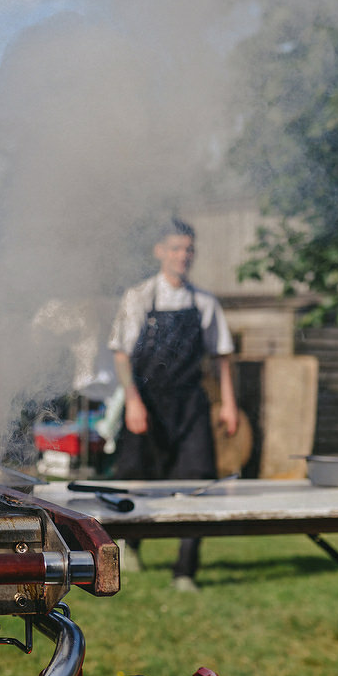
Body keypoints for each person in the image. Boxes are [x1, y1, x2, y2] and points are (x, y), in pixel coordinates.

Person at [107, 218, 237, 592]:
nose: (184, 256)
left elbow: (222, 356)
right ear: (160, 251)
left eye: (189, 249)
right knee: (134, 478)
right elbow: (121, 356)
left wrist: (228, 404)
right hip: (146, 402)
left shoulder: (205, 302)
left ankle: (185, 570)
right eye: (177, 248)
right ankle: (130, 544)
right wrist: (132, 401)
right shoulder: (139, 297)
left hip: (191, 404)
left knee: (198, 483)